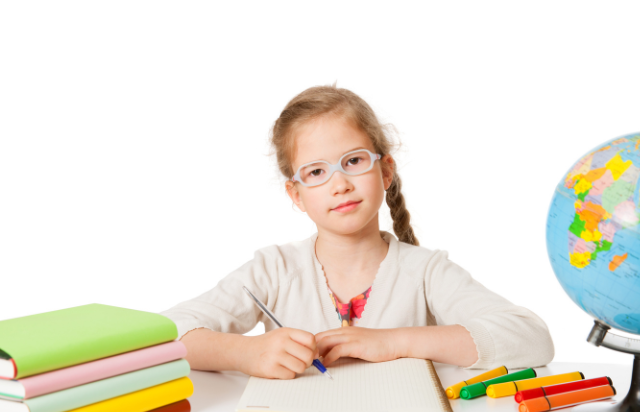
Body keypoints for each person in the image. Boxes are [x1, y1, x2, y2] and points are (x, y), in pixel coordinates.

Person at [160, 85, 554, 379]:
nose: (339, 184)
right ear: (296, 194)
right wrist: (244, 353)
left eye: (353, 161)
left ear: (385, 171)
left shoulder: (426, 271)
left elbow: (532, 338)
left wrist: (393, 342)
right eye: (316, 172)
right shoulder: (273, 269)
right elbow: (165, 334)